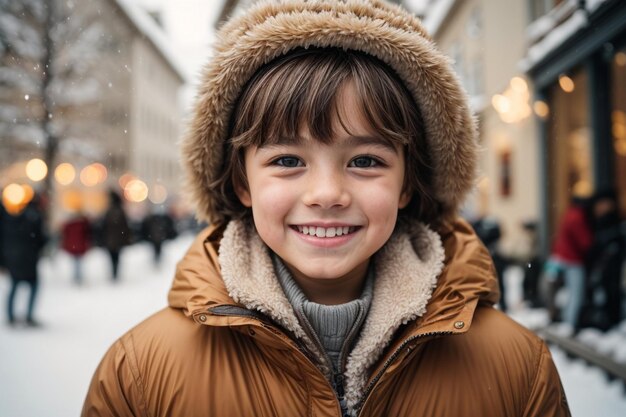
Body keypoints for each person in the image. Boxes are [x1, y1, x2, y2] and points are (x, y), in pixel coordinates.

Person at [82, 1, 570, 416]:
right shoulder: (142, 374)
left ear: (406, 182)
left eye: (365, 160)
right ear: (242, 182)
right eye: (288, 160)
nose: (326, 193)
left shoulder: (515, 369)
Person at [542, 196, 593, 331]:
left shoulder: (567, 214)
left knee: (554, 289)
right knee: (576, 293)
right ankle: (569, 322)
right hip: (572, 260)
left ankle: (555, 315)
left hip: (558, 258)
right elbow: (585, 242)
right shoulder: (577, 217)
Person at [1, 195, 46, 327]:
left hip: (15, 259)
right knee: (33, 287)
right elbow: (40, 239)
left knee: (14, 286)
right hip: (28, 259)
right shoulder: (34, 218)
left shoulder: (12, 220)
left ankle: (10, 316)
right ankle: (29, 315)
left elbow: (5, 241)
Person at [101, 190, 131, 281]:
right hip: (118, 239)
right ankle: (115, 272)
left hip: (111, 239)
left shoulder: (109, 211)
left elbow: (104, 226)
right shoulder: (120, 211)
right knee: (116, 257)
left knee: (112, 257)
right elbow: (125, 227)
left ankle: (114, 272)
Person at [61, 211, 92, 285]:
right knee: (78, 262)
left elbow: (65, 234)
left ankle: (77, 276)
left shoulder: (69, 224)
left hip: (73, 245)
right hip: (79, 245)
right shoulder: (82, 224)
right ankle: (78, 276)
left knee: (76, 262)